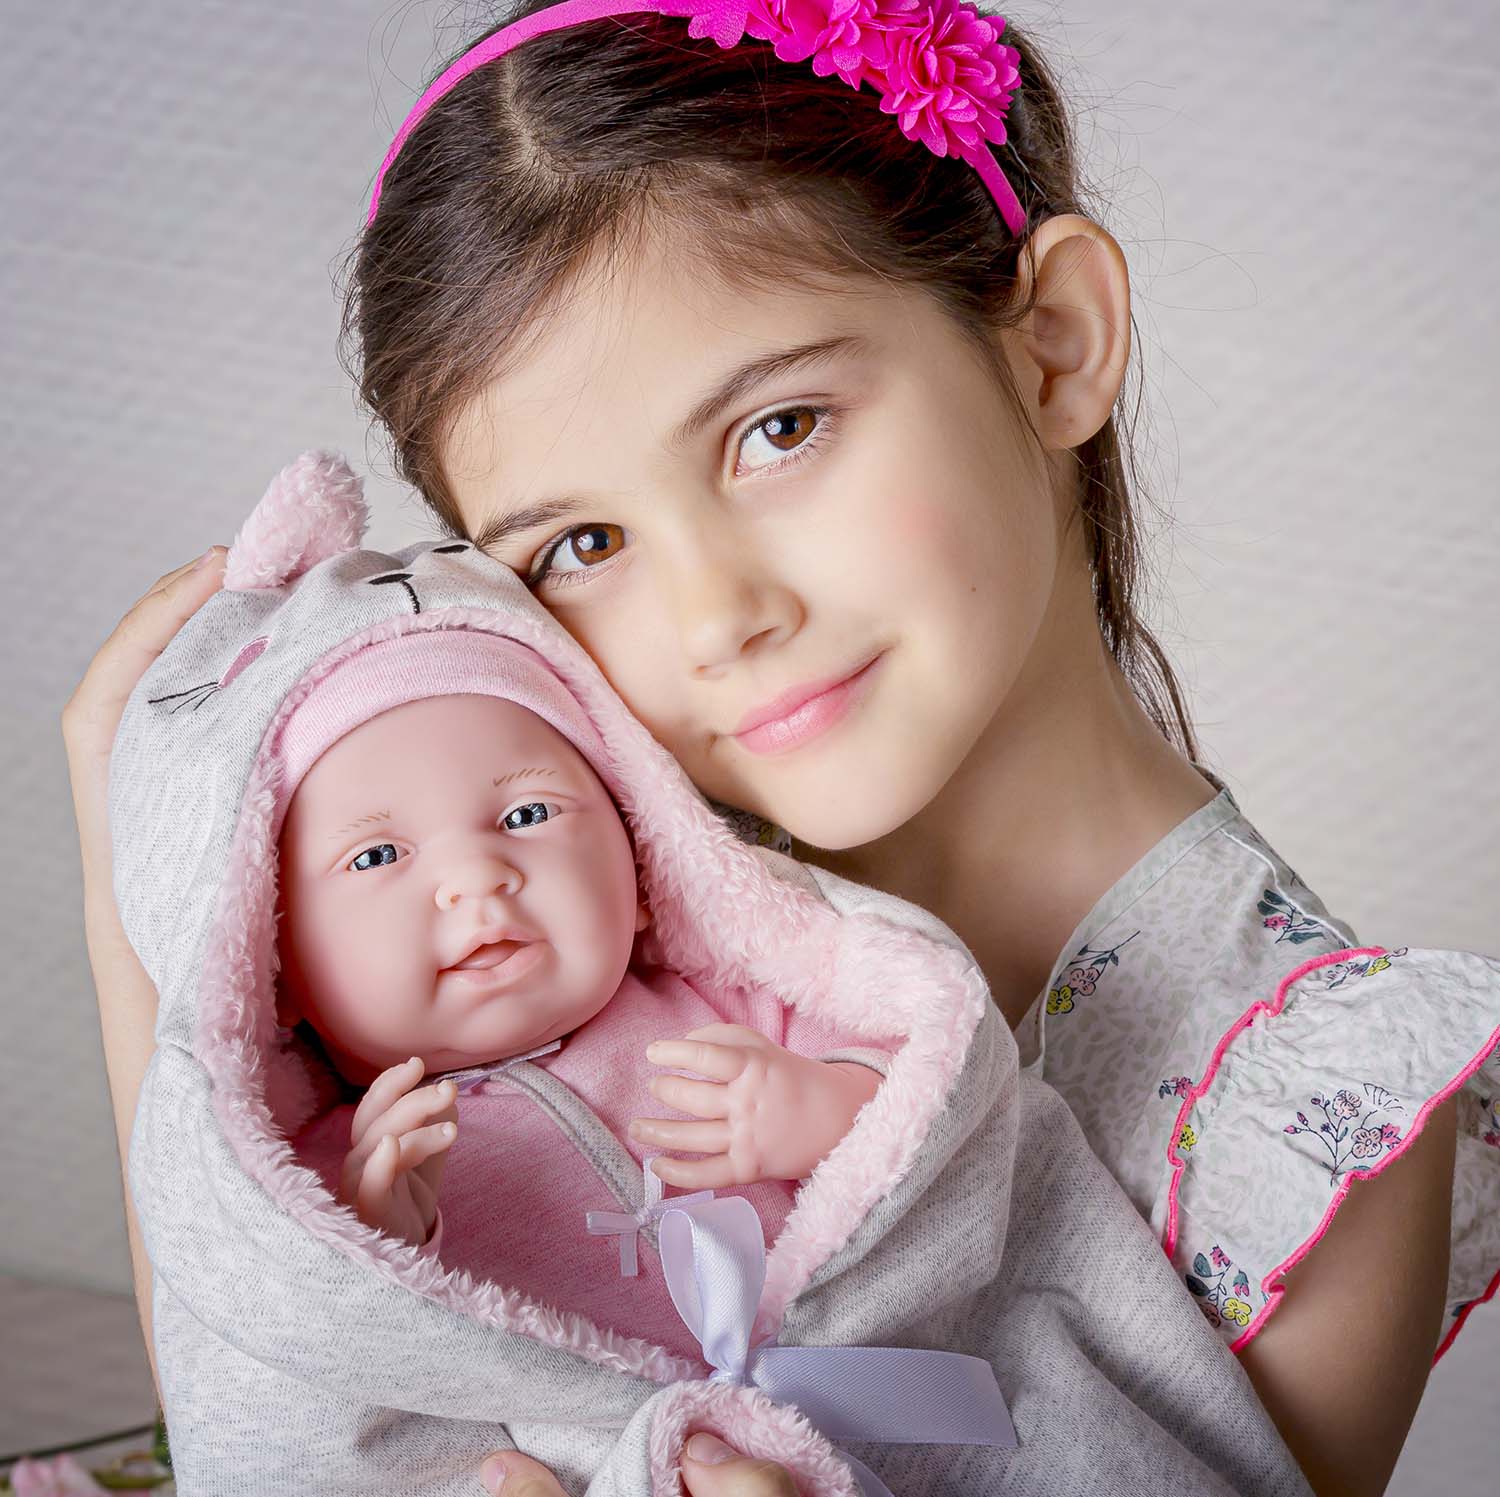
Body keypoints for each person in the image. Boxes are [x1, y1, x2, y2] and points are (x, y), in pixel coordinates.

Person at [62, 0, 1498, 1493]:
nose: (715, 615)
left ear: (1055, 342)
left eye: (783, 427)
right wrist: (142, 875)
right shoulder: (544, 908)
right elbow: (271, 1411)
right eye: (585, 541)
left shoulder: (1308, 1114)